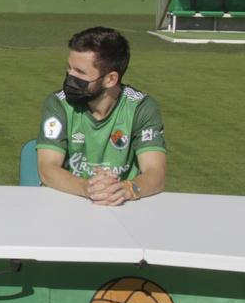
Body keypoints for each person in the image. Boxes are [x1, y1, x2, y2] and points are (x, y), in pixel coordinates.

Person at [37, 26, 166, 205]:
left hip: (122, 206)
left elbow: (156, 173)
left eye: (80, 72)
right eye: (69, 68)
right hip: (67, 202)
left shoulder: (141, 107)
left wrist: (127, 189)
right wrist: (87, 188)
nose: (69, 77)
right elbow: (47, 169)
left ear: (110, 79)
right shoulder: (58, 104)